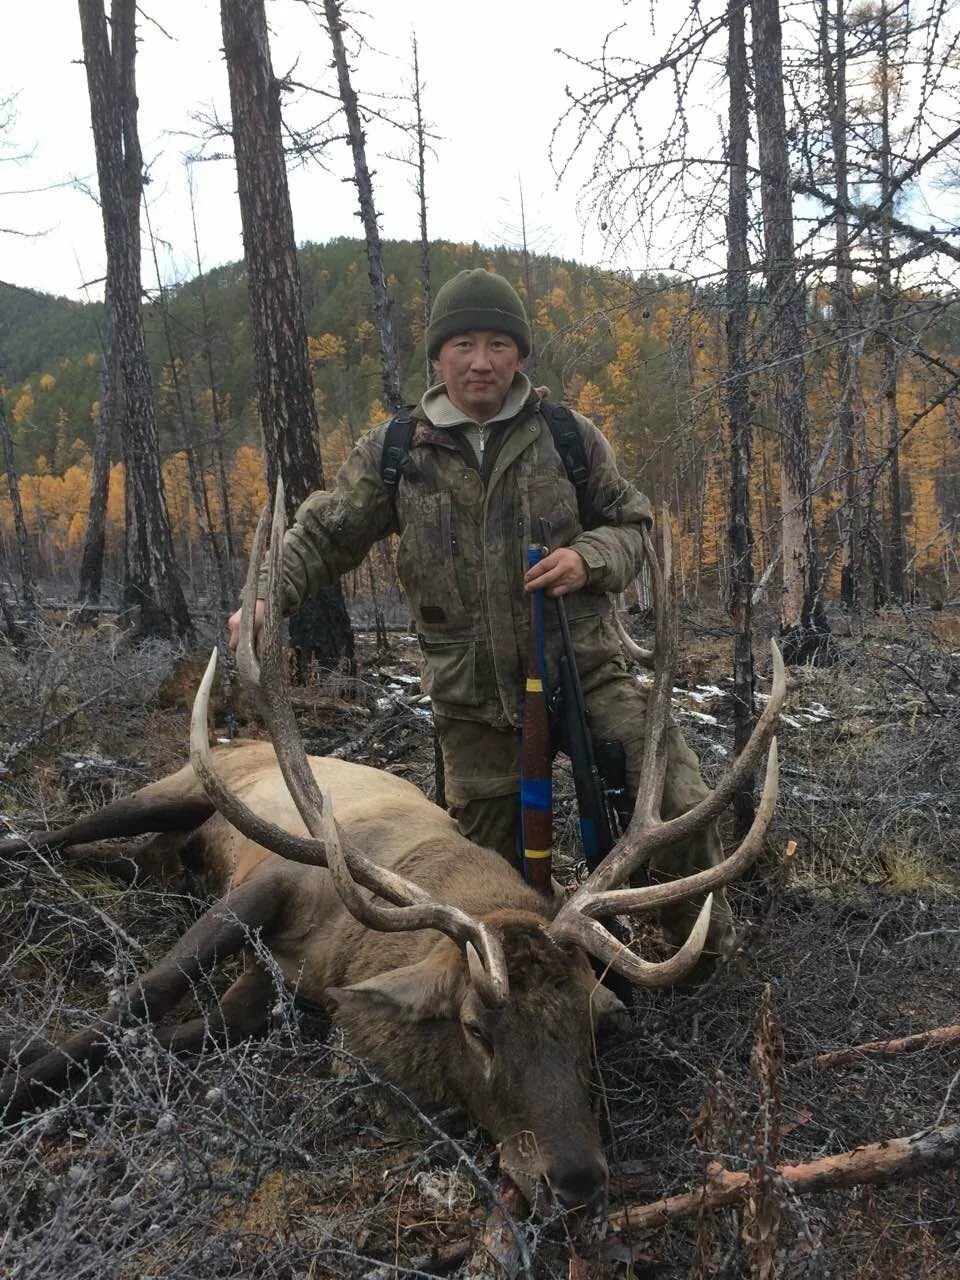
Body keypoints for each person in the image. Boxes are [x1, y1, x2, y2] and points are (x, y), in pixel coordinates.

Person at [227, 268, 733, 960]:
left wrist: (589, 557)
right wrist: (265, 595)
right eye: (464, 343)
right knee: (484, 886)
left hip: (584, 672)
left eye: (499, 343)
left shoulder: (568, 437)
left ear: (520, 355)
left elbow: (634, 526)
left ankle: (700, 960)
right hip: (473, 703)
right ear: (437, 357)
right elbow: (322, 535)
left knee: (671, 791)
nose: (482, 361)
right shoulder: (397, 452)